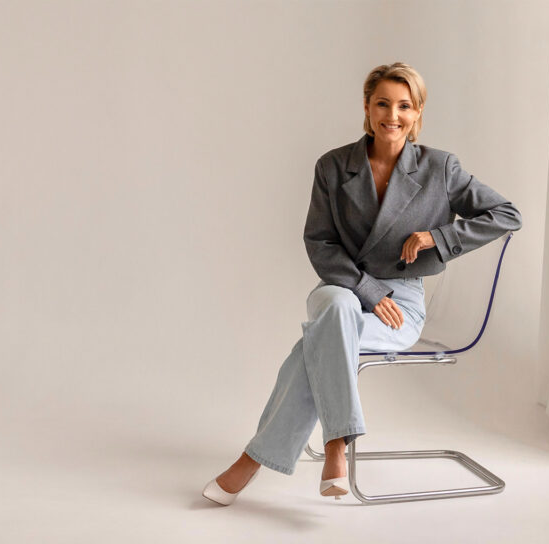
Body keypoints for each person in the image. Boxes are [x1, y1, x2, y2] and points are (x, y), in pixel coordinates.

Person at [202, 62, 523, 505]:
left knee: (320, 341)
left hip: (403, 301)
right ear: (368, 108)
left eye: (404, 106)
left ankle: (251, 461)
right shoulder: (333, 166)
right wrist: (369, 290)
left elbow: (507, 214)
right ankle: (338, 442)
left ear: (418, 112)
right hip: (342, 285)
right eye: (383, 104)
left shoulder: (440, 168)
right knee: (336, 311)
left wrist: (439, 236)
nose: (393, 115)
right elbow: (320, 242)